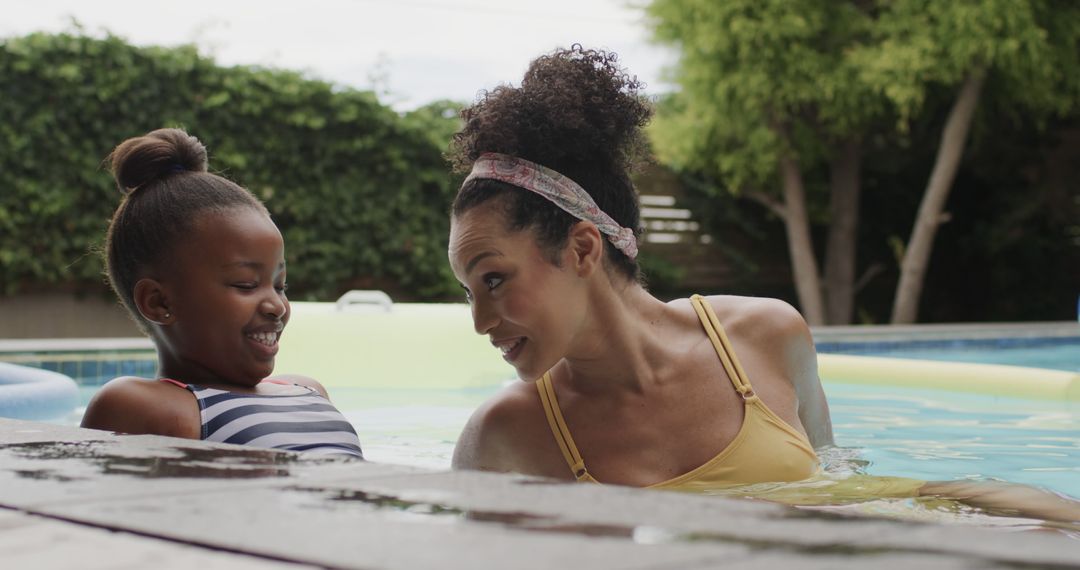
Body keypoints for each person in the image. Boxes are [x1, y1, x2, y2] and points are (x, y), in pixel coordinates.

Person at [446, 46, 1080, 525]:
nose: (480, 321)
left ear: (581, 248)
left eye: (494, 279)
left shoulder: (765, 335)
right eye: (469, 292)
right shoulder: (503, 435)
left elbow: (836, 473)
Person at [80, 128, 363, 458]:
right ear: (158, 302)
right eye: (245, 284)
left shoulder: (306, 389)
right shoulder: (145, 405)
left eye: (280, 285)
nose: (276, 305)